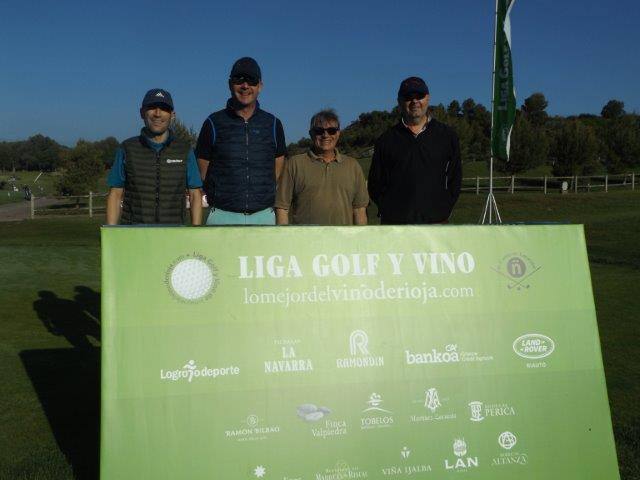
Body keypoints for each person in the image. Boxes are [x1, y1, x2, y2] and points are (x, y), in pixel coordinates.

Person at [196, 57, 286, 225]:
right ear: (230, 84)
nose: (245, 86)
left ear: (260, 86)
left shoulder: (273, 124)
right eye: (239, 80)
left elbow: (277, 169)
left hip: (264, 216)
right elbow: (203, 170)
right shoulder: (212, 123)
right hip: (221, 216)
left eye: (251, 80)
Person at [368, 77, 462, 224]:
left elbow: (455, 179)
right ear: (399, 101)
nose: (415, 101)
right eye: (408, 97)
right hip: (396, 227)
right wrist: (389, 210)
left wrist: (443, 209)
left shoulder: (447, 136)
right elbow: (375, 184)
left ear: (428, 98)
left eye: (419, 96)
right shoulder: (385, 140)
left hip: (436, 225)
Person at [106, 88, 202, 225]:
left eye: (164, 108)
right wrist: (110, 236)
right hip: (134, 234)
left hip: (174, 235)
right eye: (152, 108)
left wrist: (195, 232)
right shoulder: (127, 148)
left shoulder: (185, 149)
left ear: (172, 115)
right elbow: (115, 194)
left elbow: (195, 195)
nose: (157, 114)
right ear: (142, 113)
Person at [275, 110, 368, 225]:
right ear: (311, 134)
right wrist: (284, 238)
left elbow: (359, 209)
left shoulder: (353, 166)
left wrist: (360, 241)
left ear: (338, 133)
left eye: (332, 131)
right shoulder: (295, 164)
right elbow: (282, 208)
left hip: (343, 240)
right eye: (319, 131)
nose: (326, 135)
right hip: (305, 241)